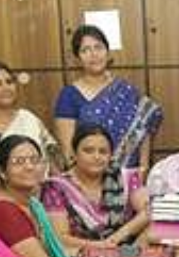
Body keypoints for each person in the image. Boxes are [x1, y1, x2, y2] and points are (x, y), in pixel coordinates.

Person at [53, 24, 162, 175]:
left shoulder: (127, 91)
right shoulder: (69, 96)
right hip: (88, 180)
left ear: (107, 52)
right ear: (77, 59)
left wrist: (143, 168)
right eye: (85, 50)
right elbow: (68, 151)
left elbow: (144, 128)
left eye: (98, 47)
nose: (93, 54)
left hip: (127, 178)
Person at [46, 123, 151, 250]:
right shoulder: (57, 187)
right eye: (88, 151)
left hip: (127, 253)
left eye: (103, 152)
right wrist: (101, 246)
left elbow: (148, 211)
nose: (96, 157)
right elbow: (60, 238)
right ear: (74, 153)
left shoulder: (125, 178)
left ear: (111, 156)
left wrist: (117, 237)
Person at [0, 134, 71, 257]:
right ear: (1, 172)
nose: (29, 167)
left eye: (35, 160)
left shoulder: (32, 204)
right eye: (19, 162)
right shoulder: (3, 211)